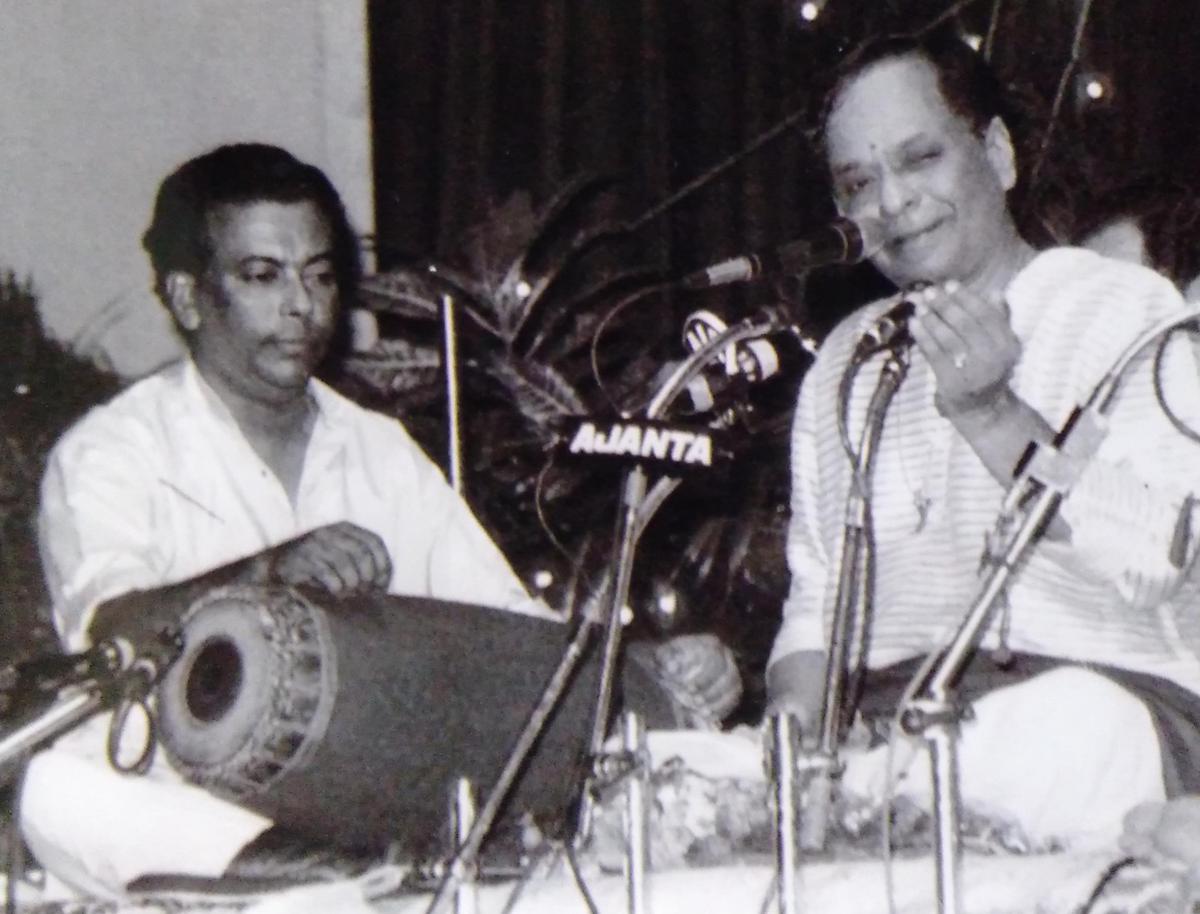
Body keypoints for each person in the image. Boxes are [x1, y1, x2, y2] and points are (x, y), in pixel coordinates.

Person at [21, 143, 741, 899]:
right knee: (57, 791)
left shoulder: (376, 448)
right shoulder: (113, 451)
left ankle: (352, 871)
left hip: (382, 793)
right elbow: (108, 634)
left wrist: (649, 670)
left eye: (320, 274)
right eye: (262, 277)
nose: (303, 306)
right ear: (189, 297)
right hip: (199, 806)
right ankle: (327, 874)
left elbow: (512, 633)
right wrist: (264, 572)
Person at [767, 31, 1200, 848]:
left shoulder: (1124, 311)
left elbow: (1161, 557)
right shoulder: (846, 359)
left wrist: (996, 417)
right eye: (860, 182)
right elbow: (815, 604)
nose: (892, 202)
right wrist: (796, 729)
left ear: (998, 155)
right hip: (886, 730)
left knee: (1060, 728)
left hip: (1094, 708)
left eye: (920, 158)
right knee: (673, 774)